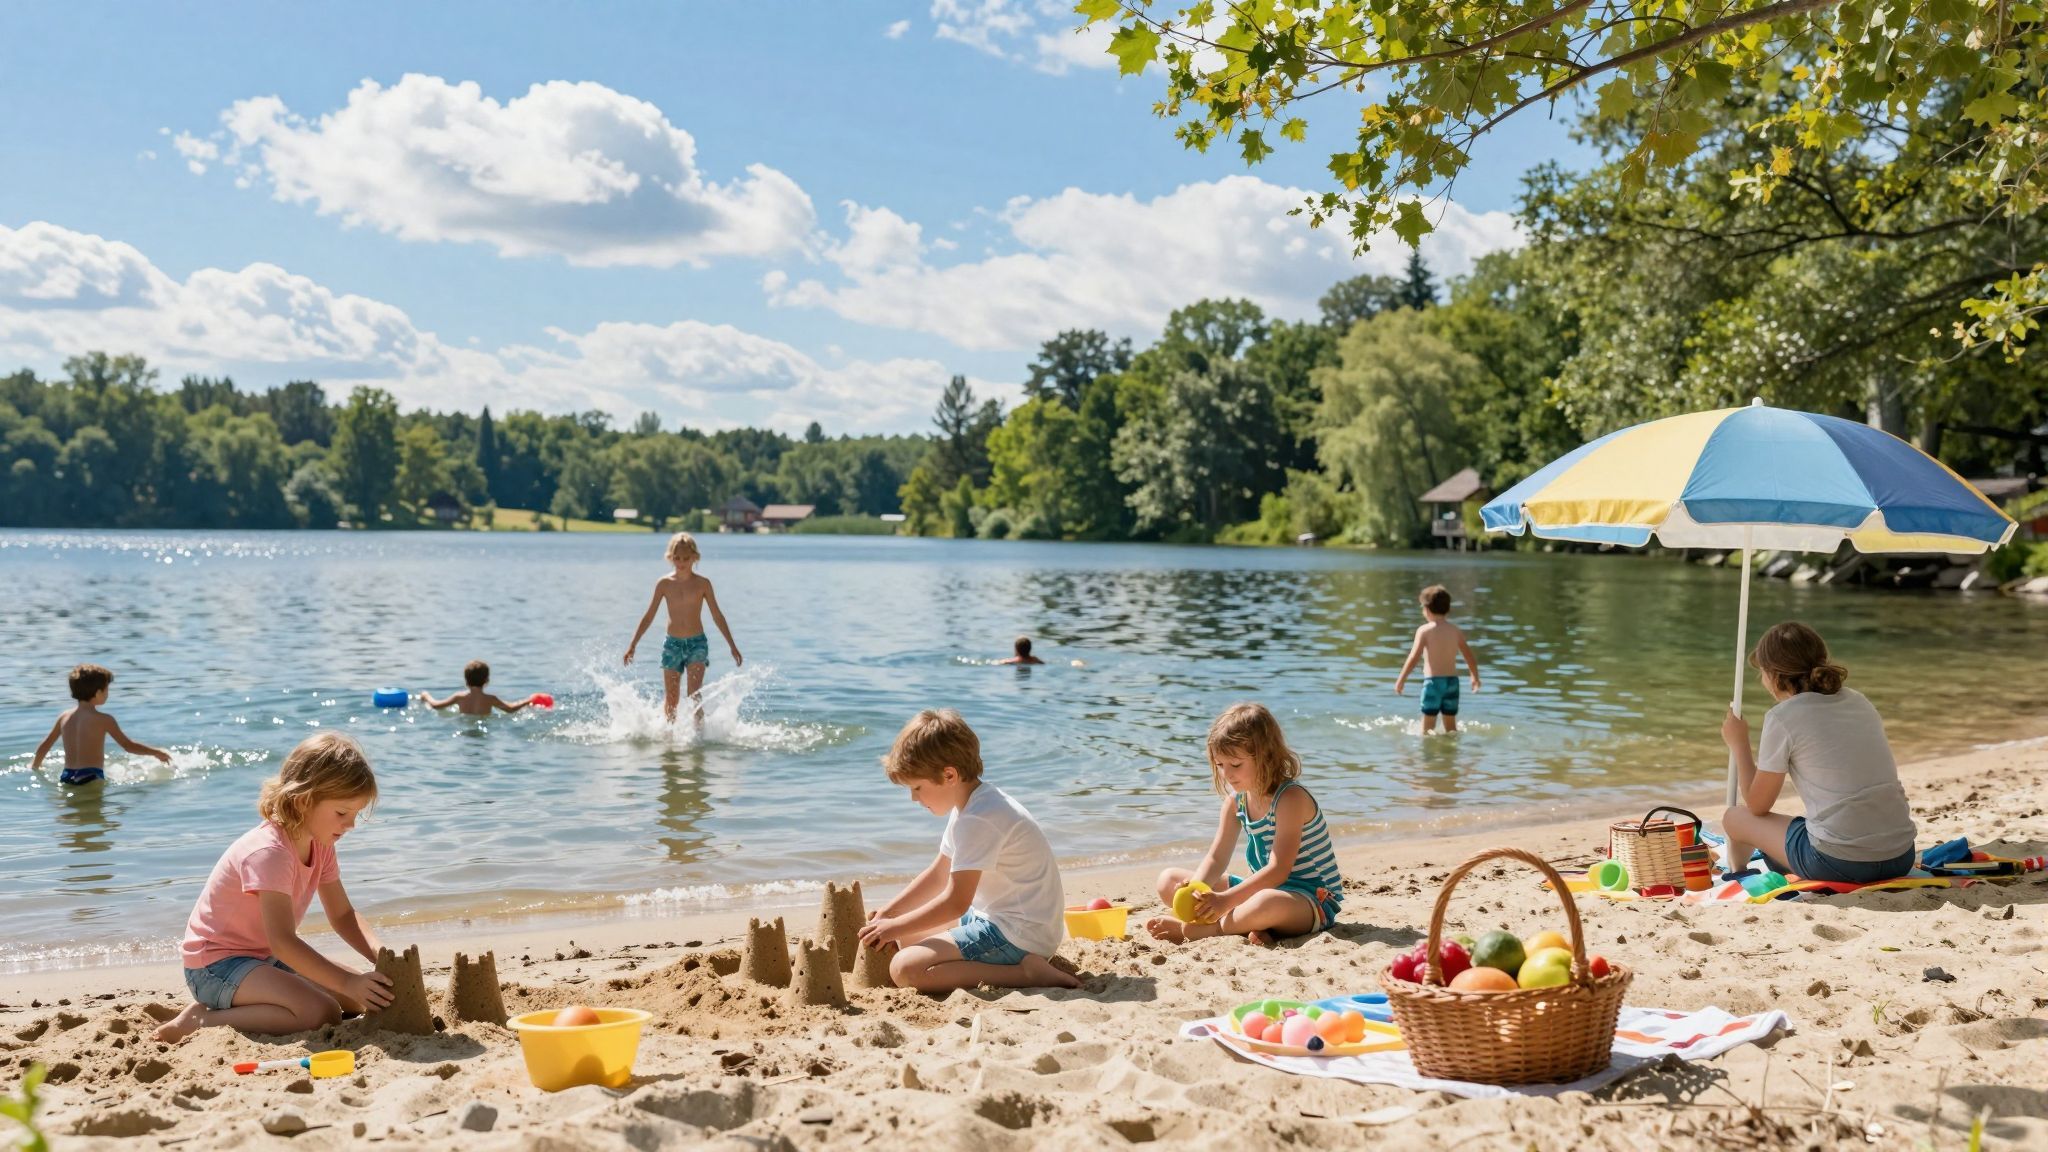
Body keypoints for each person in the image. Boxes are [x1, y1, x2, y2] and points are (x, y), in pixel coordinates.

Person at [153, 731, 395, 1043]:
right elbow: (282, 941)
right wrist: (347, 982)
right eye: (342, 813)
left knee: (358, 997)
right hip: (215, 965)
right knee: (321, 1012)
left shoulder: (321, 844)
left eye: (356, 814)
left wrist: (380, 955)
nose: (350, 825)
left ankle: (256, 1002)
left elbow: (343, 915)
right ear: (304, 800)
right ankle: (201, 1020)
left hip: (262, 958)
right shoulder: (270, 852)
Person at [857, 709, 1079, 992]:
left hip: (1021, 935)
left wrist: (895, 926)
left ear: (949, 775)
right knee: (906, 938)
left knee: (905, 969)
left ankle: (1026, 973)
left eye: (917, 787)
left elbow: (955, 903)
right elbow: (938, 875)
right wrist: (890, 914)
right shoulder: (970, 805)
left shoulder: (980, 818)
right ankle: (1010, 966)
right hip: (997, 919)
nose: (913, 798)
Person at [1718, 622, 1919, 883]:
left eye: (1763, 672)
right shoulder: (1858, 700)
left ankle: (1739, 872)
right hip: (1901, 855)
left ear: (1774, 675)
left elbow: (1757, 806)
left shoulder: (1783, 717)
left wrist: (1739, 744)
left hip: (1841, 863)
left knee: (1734, 818)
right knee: (1806, 827)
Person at [1146, 702, 1343, 946]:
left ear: (1266, 757)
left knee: (1266, 903)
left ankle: (1209, 930)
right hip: (1262, 890)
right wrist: (1197, 888)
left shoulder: (1290, 798)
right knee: (1168, 881)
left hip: (1310, 900)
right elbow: (1217, 858)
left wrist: (1226, 900)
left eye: (1236, 765)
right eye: (1220, 765)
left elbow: (1279, 870)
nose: (1227, 774)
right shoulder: (1235, 802)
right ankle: (1255, 927)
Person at [622, 532, 743, 724]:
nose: (681, 562)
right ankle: (669, 736)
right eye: (677, 558)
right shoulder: (664, 584)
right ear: (670, 557)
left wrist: (732, 646)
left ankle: (699, 735)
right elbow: (649, 615)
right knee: (672, 699)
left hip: (697, 644)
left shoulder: (703, 584)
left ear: (695, 557)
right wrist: (633, 645)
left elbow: (717, 616)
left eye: (686, 558)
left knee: (694, 694)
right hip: (672, 644)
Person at [30, 663, 171, 786]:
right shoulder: (104, 719)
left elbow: (45, 745)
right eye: (107, 689)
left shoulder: (64, 717)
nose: (108, 693)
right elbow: (128, 746)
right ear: (98, 693)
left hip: (67, 775)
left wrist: (35, 766)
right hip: (91, 775)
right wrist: (157, 752)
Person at [1394, 585, 1481, 733]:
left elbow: (1414, 657)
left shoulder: (1424, 631)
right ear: (1448, 609)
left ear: (1426, 609)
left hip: (1433, 683)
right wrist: (1474, 677)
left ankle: (1427, 747)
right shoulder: (1455, 630)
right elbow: (1469, 656)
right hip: (1452, 683)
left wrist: (1401, 680)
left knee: (1427, 729)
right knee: (1451, 728)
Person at [419, 660, 541, 716]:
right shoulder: (490, 699)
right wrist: (529, 700)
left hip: (464, 726)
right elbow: (510, 709)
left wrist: (426, 696)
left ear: (466, 681)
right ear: (486, 681)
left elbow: (436, 706)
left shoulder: (458, 697)